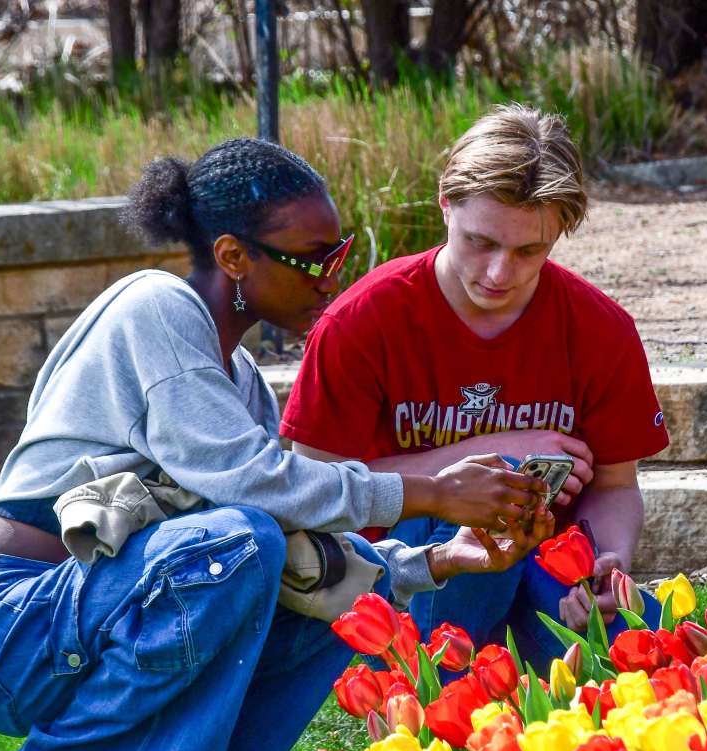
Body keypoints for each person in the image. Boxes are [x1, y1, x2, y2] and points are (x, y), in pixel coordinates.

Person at [0, 137, 555, 751]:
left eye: (339, 254)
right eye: (315, 258)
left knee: (330, 587)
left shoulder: (244, 382)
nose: (332, 278)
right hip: (4, 623)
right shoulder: (153, 306)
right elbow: (252, 482)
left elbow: (301, 546)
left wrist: (439, 561)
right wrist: (431, 490)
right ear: (233, 256)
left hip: (94, 616)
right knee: (236, 542)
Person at [281, 104, 671, 672]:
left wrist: (609, 561)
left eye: (529, 251)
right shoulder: (361, 321)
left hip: (549, 564)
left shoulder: (599, 328)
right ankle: (436, 683)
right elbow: (310, 491)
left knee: (645, 659)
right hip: (412, 570)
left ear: (561, 228)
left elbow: (615, 486)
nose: (498, 273)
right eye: (480, 242)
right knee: (477, 530)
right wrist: (478, 456)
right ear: (445, 202)